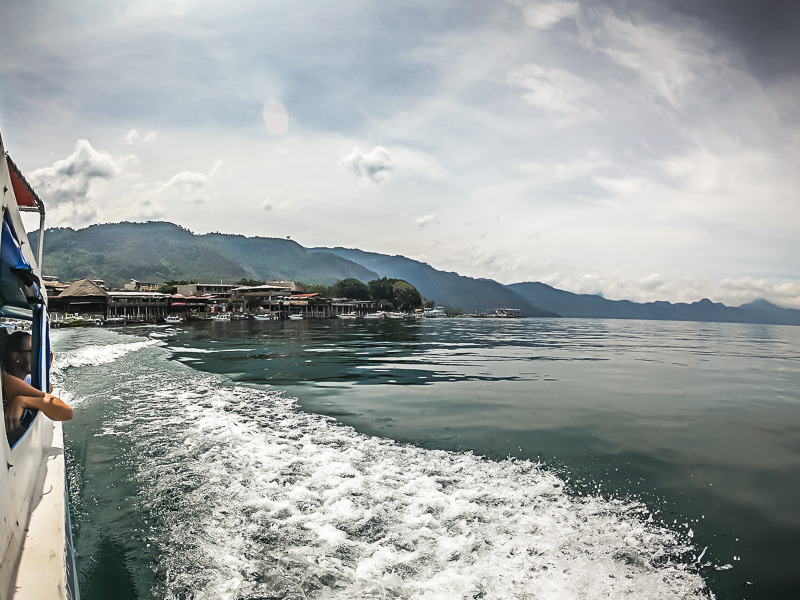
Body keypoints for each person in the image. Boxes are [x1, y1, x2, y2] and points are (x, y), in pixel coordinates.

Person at [1, 330, 72, 435]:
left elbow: (47, 390)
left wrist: (45, 370)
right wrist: (23, 401)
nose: (38, 356)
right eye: (32, 352)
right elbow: (66, 412)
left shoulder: (26, 378)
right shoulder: (7, 381)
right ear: (16, 357)